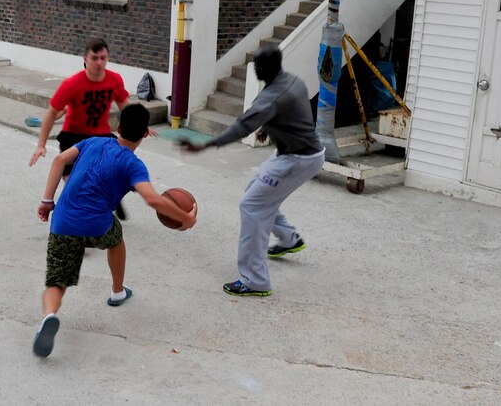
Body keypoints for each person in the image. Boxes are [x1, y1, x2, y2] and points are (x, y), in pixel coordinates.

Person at [32, 104, 197, 358]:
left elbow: (59, 159)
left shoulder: (94, 142)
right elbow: (152, 199)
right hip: (98, 225)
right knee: (116, 240)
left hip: (64, 221)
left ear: (117, 128)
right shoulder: (133, 164)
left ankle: (49, 316)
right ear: (144, 135)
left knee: (57, 281)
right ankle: (117, 291)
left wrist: (46, 201)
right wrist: (186, 218)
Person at [180, 45, 324, 298]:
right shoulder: (292, 81)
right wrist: (269, 128)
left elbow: (241, 127)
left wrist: (205, 144)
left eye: (258, 65)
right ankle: (290, 239)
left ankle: (255, 279)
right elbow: (293, 111)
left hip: (297, 160)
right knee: (255, 189)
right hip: (293, 154)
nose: (254, 69)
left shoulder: (271, 98)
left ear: (270, 68)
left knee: (252, 205)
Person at [28, 38, 132, 217]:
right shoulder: (72, 84)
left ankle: (112, 197)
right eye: (95, 58)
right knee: (74, 183)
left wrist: (140, 125)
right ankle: (79, 215)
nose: (99, 63)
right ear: (85, 58)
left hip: (101, 135)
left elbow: (126, 107)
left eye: (103, 58)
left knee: (120, 167)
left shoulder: (114, 80)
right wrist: (41, 144)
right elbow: (51, 113)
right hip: (73, 136)